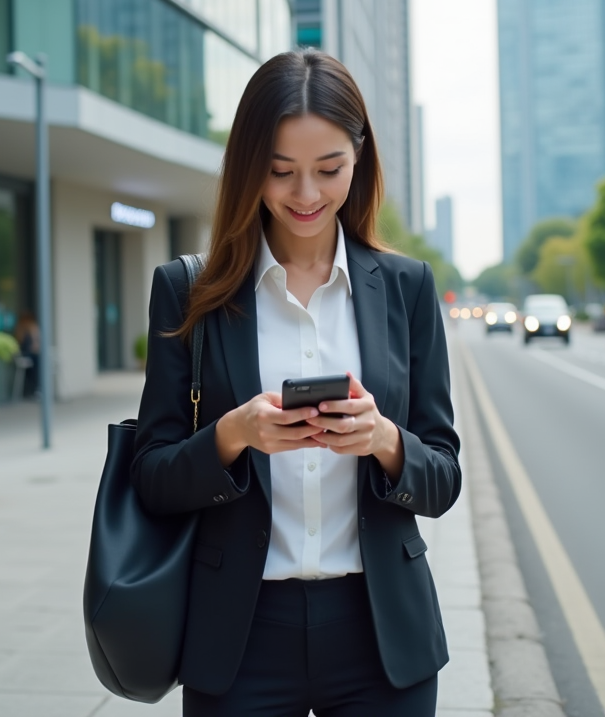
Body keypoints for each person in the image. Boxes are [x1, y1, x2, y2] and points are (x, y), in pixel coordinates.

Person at [132, 50, 461, 716]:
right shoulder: (187, 292)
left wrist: (384, 440)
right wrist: (233, 434)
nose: (306, 195)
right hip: (240, 637)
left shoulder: (407, 288)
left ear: (359, 157)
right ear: (248, 166)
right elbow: (152, 478)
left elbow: (444, 477)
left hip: (381, 638)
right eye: (280, 171)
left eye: (328, 169)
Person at [14, 311, 41, 397]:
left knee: (37, 362)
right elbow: (21, 345)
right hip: (24, 355)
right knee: (36, 363)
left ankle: (36, 388)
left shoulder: (32, 328)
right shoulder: (20, 330)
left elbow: (36, 345)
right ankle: (36, 388)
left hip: (30, 355)